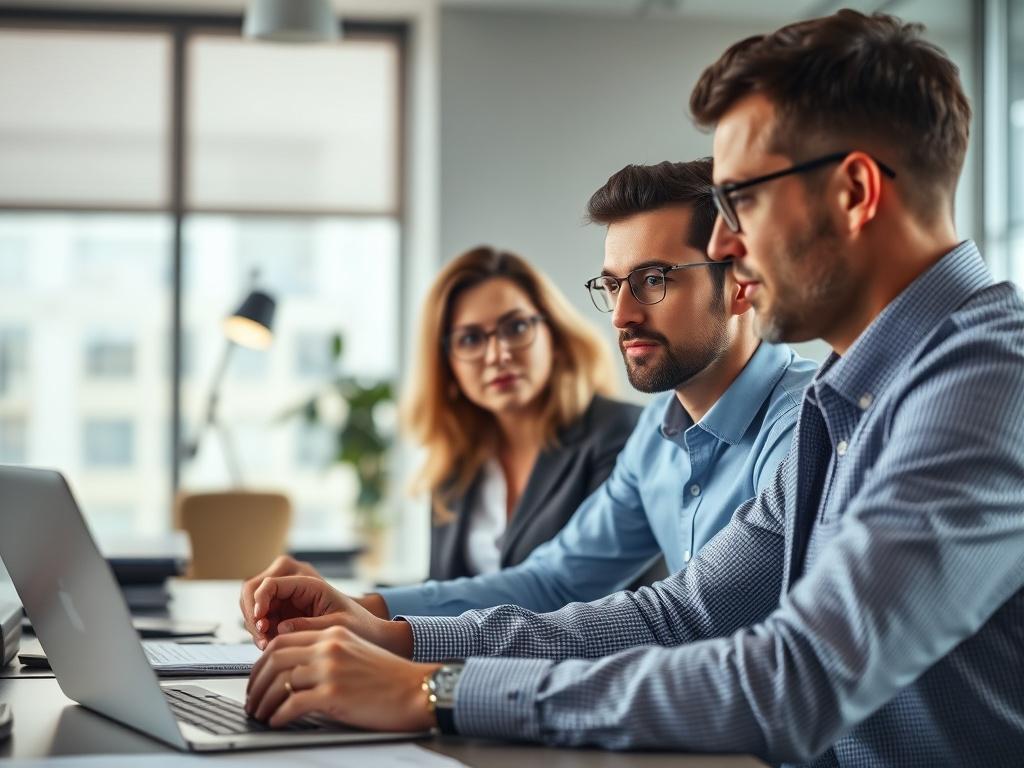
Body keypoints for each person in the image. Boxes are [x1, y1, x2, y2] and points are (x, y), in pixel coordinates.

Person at [243, 10, 1024, 766]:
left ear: (855, 191)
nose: (725, 243)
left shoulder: (989, 385)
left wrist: (438, 690)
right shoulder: (847, 398)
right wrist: (399, 640)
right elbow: (683, 614)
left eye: (741, 198)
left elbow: (798, 680)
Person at [239, 159, 815, 639]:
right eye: (613, 285)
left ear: (740, 283)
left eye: (654, 279)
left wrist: (403, 641)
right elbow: (556, 580)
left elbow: (687, 616)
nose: (622, 314)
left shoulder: (804, 429)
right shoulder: (656, 436)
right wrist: (364, 607)